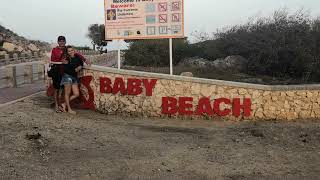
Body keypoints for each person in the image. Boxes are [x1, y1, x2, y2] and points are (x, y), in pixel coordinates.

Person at [50, 36, 91, 113]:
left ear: (65, 42)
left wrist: (85, 60)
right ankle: (56, 105)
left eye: (63, 41)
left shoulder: (66, 49)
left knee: (64, 90)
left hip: (65, 71)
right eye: (60, 41)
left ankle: (62, 105)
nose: (61, 42)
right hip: (57, 70)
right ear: (58, 42)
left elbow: (77, 54)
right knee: (57, 89)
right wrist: (61, 62)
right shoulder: (55, 50)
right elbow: (52, 61)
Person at [60, 46, 83, 114]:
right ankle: (69, 109)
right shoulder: (66, 59)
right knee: (67, 93)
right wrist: (75, 69)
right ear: (67, 52)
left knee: (76, 94)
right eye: (69, 51)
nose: (71, 52)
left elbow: (81, 63)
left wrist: (79, 67)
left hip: (74, 77)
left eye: (72, 50)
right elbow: (66, 69)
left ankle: (63, 104)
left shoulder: (77, 57)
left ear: (74, 50)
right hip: (67, 77)